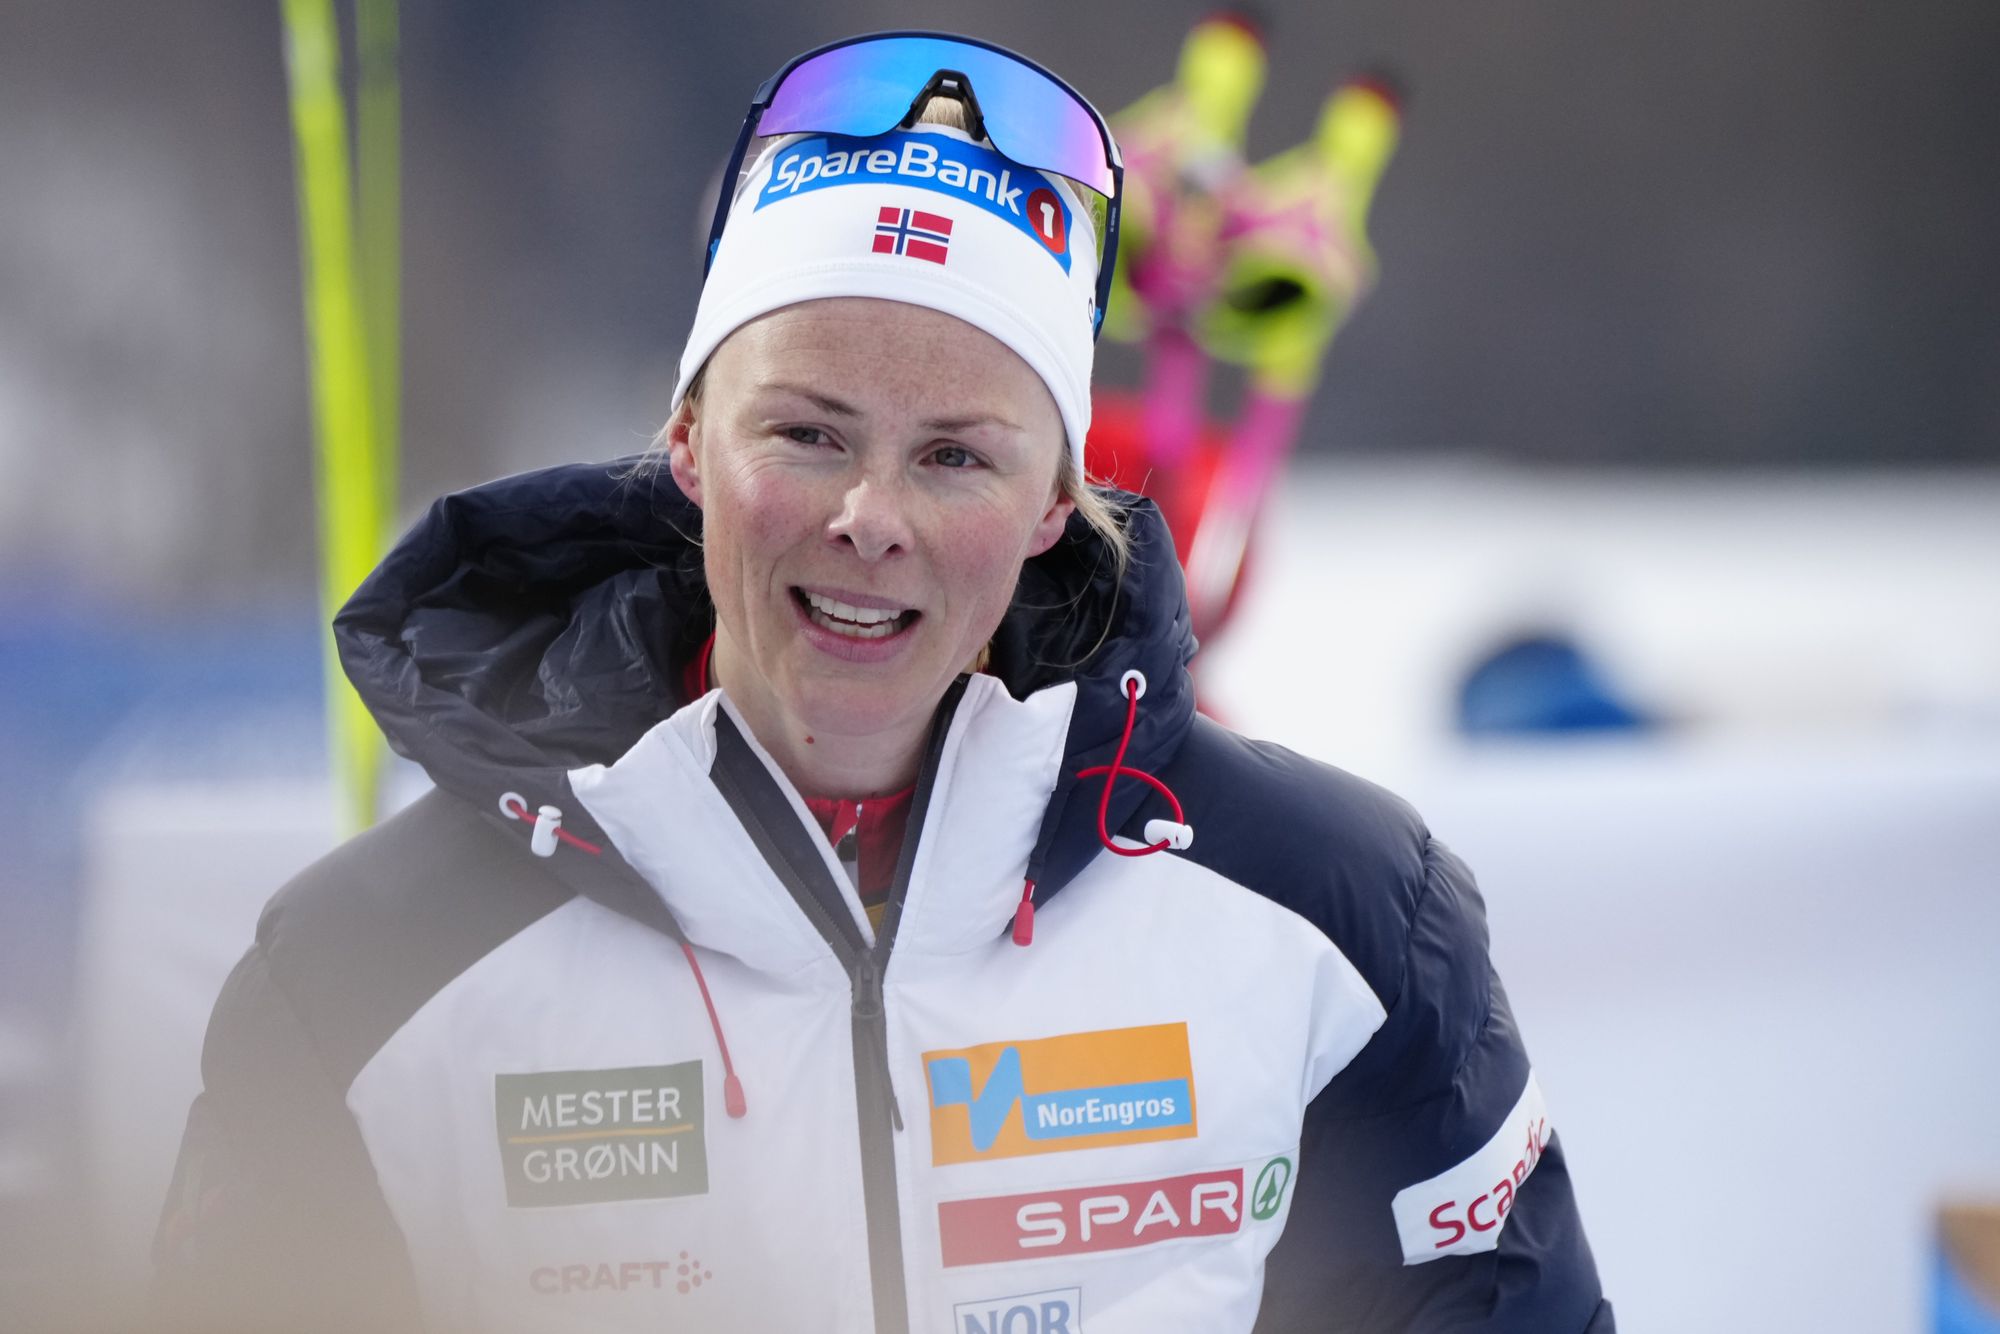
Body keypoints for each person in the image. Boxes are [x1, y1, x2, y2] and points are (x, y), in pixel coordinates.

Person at [155, 30, 1612, 1334]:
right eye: (804, 432)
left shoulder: (1345, 918)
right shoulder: (359, 980)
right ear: (687, 444)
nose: (873, 517)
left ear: (1059, 497)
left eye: (957, 454)